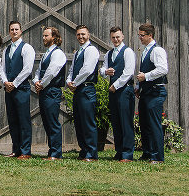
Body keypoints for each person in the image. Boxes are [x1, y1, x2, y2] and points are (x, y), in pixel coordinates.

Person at [0, 20, 35, 159]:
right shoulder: (6, 49)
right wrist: (6, 82)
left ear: (21, 31)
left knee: (23, 119)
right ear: (9, 32)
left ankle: (26, 151)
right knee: (12, 119)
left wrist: (14, 83)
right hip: (9, 89)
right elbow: (2, 68)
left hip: (21, 88)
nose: (14, 32)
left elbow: (27, 69)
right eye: (12, 29)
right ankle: (16, 150)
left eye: (16, 29)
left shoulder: (27, 48)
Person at [101, 26, 136, 162]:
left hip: (124, 90)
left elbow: (128, 72)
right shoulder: (109, 54)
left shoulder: (128, 52)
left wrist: (115, 85)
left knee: (125, 122)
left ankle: (128, 153)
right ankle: (119, 151)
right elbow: (102, 69)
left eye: (118, 37)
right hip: (113, 92)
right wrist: (105, 72)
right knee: (116, 122)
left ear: (122, 37)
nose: (115, 40)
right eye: (113, 37)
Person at [136, 23, 169, 164]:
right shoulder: (145, 50)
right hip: (146, 91)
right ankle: (147, 152)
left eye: (142, 35)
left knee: (154, 124)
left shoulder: (157, 50)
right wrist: (139, 85)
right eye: (139, 35)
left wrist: (146, 77)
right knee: (144, 123)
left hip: (155, 92)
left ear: (150, 35)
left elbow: (163, 69)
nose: (140, 38)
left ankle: (157, 156)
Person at [66, 24, 100, 161]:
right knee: (79, 121)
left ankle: (92, 153)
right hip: (78, 89)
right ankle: (84, 150)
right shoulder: (78, 52)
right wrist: (69, 81)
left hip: (87, 89)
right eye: (78, 34)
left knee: (87, 122)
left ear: (88, 35)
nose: (81, 37)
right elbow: (72, 69)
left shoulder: (91, 50)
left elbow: (87, 70)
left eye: (83, 34)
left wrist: (74, 82)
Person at [33, 26, 66, 160]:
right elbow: (39, 71)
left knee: (52, 121)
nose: (43, 38)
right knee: (46, 121)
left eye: (46, 36)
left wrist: (41, 84)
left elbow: (52, 72)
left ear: (54, 37)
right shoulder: (46, 54)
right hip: (44, 90)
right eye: (43, 36)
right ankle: (51, 150)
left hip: (52, 90)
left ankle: (56, 153)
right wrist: (36, 81)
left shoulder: (58, 53)